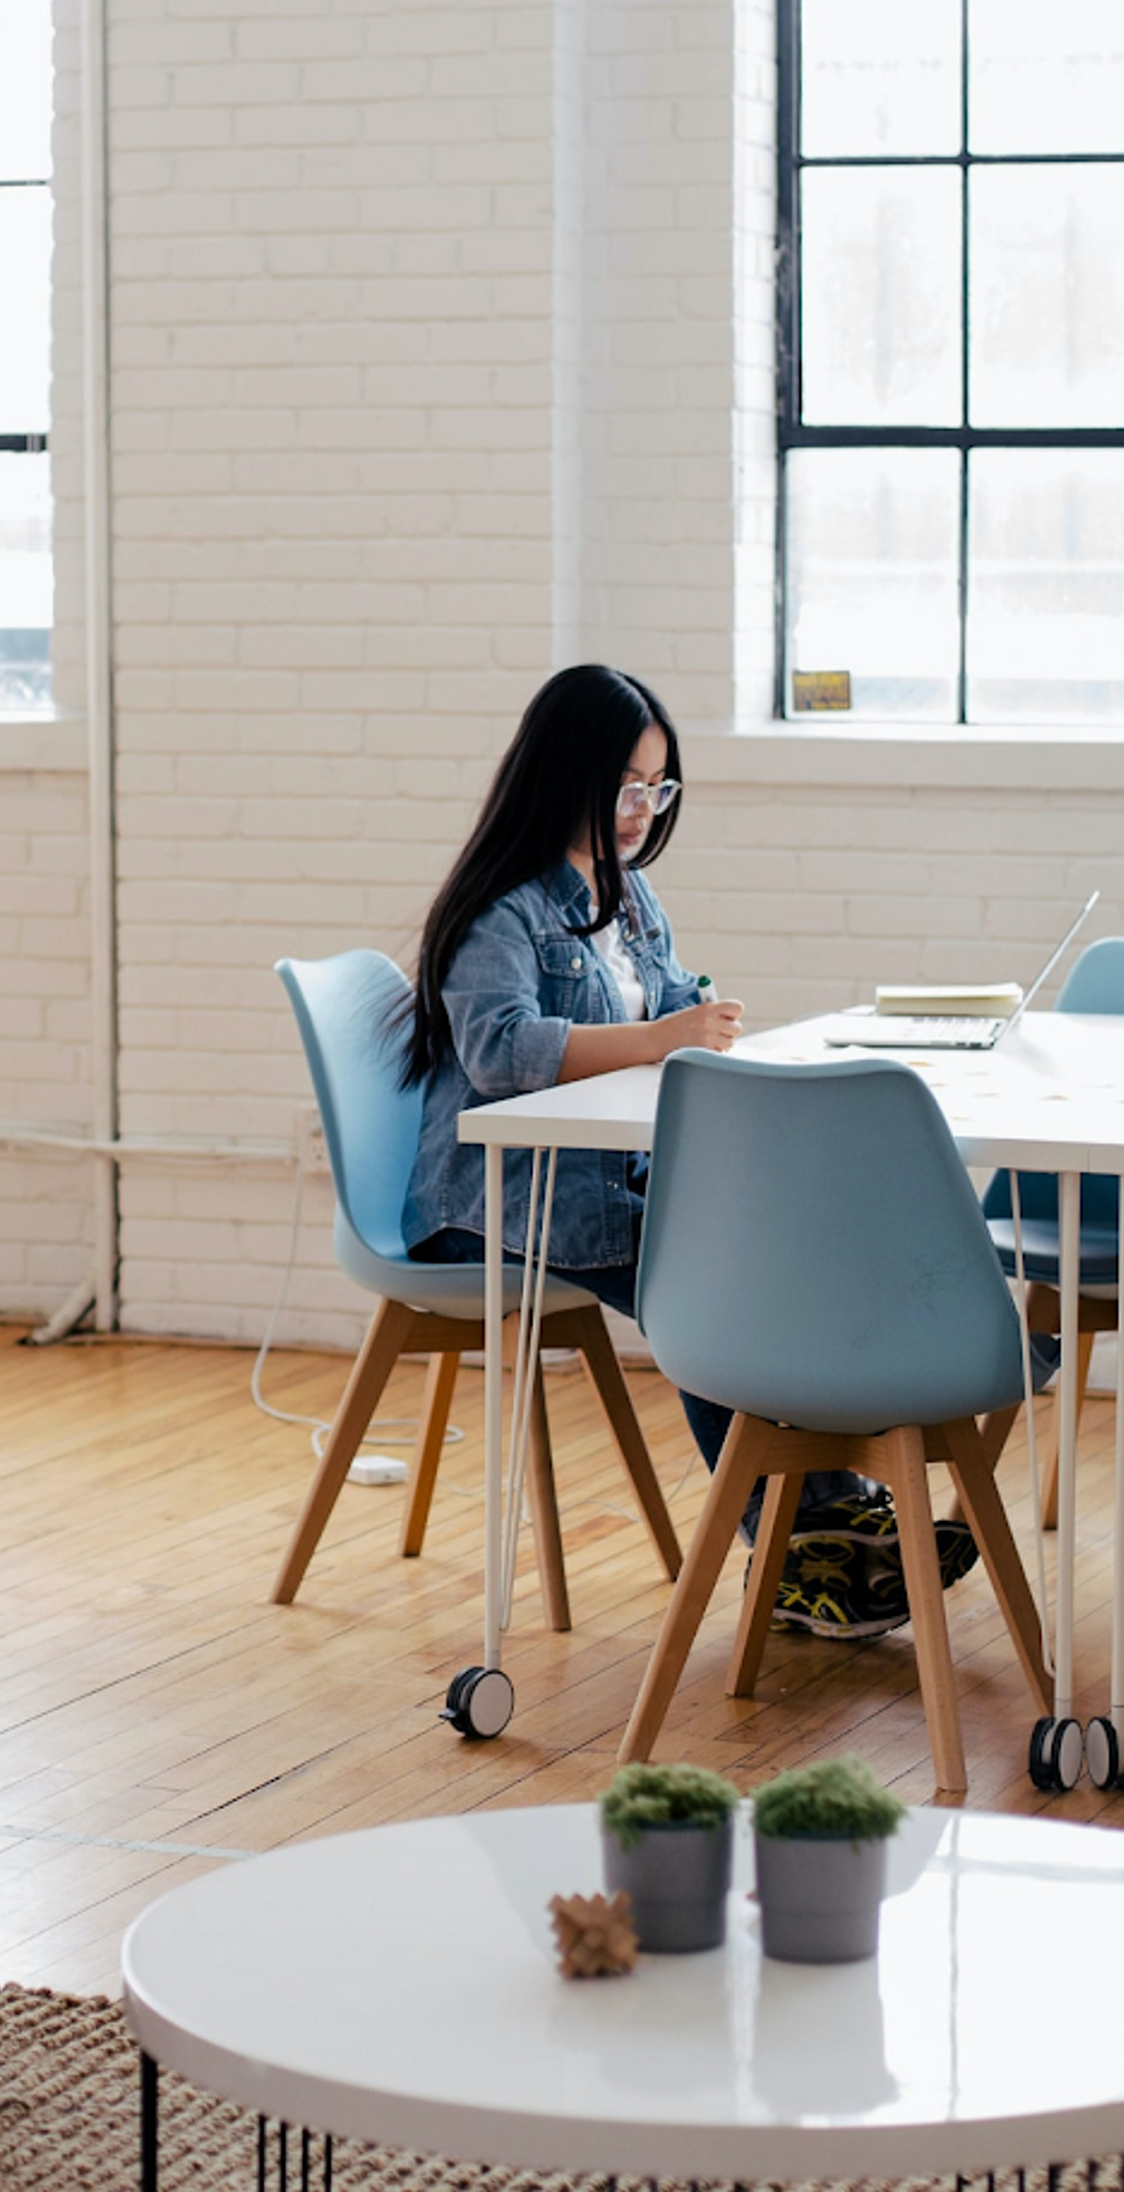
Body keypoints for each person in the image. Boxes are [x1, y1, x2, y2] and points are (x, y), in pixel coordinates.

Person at [396, 663, 965, 1640]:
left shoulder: (632, 898)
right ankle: (796, 1536)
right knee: (712, 1273)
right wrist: (665, 1037)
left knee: (764, 1241)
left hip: (606, 1183)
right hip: (495, 1204)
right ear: (562, 771)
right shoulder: (504, 908)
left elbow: (661, 1016)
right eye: (625, 784)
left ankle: (826, 1517)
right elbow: (500, 1053)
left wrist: (691, 1023)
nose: (640, 809)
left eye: (658, 788)